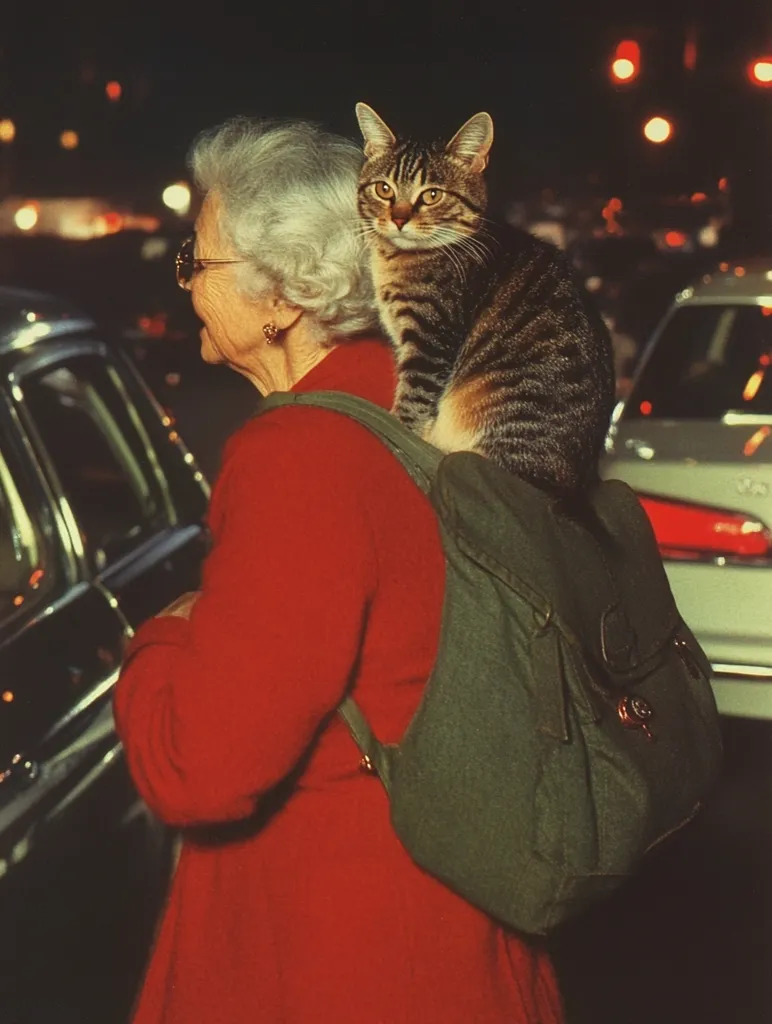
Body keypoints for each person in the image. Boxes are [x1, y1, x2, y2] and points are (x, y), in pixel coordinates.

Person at [114, 116, 564, 1024]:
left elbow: (200, 769)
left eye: (198, 263)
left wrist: (159, 640)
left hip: (341, 956)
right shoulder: (430, 405)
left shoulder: (300, 457)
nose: (187, 286)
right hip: (468, 929)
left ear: (280, 292)